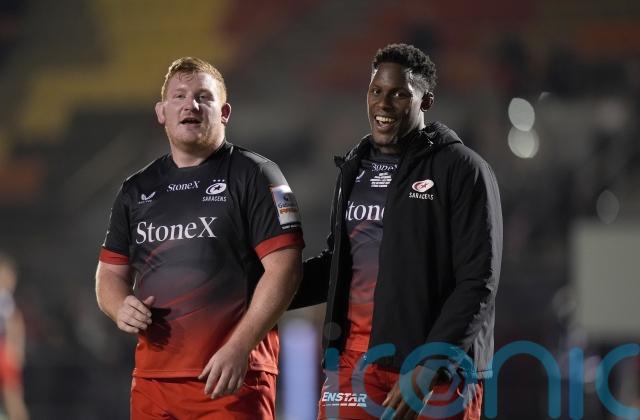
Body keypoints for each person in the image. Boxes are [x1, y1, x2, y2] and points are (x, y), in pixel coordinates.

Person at [291, 43, 502, 419]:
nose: (383, 104)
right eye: (376, 91)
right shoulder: (354, 168)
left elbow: (478, 281)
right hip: (354, 364)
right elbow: (338, 266)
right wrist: (259, 288)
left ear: (426, 101)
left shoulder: (463, 170)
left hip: (436, 372)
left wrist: (430, 365)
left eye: (399, 94)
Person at [95, 57, 304, 419]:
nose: (190, 105)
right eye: (179, 96)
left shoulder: (258, 175)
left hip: (230, 377)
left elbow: (285, 269)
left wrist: (240, 347)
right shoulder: (135, 189)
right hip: (153, 382)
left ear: (224, 112)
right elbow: (110, 274)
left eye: (203, 97)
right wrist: (119, 306)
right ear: (162, 112)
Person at [0, 254, 29, 420]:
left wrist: (17, 349)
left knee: (12, 396)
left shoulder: (6, 299)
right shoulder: (5, 298)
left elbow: (15, 323)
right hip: (5, 349)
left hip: (5, 351)